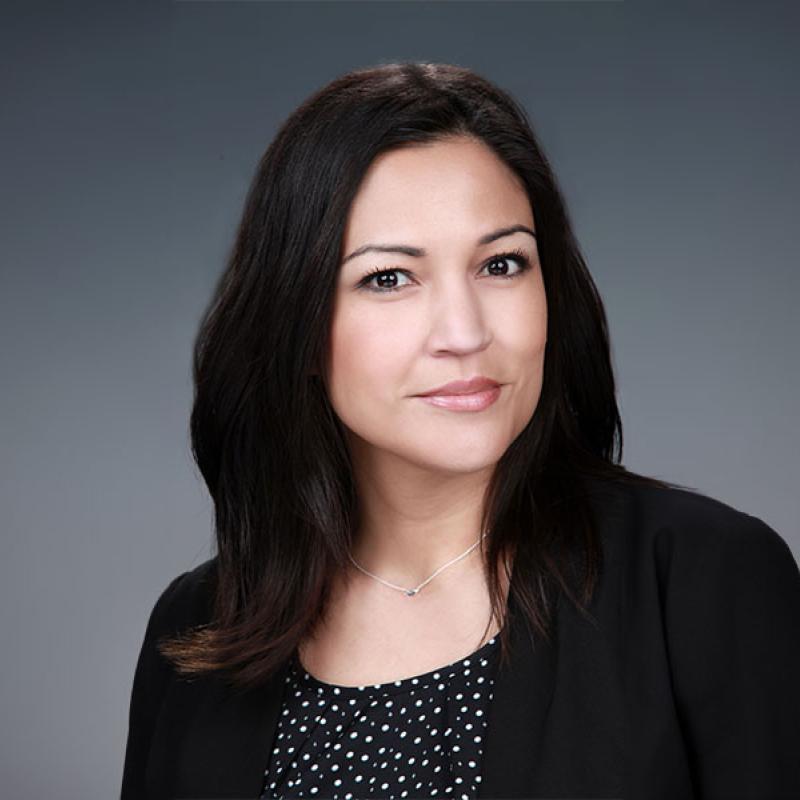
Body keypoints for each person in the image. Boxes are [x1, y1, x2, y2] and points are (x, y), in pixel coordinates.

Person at [120, 61, 800, 800]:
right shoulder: (200, 628)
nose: (465, 332)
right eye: (389, 278)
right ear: (297, 326)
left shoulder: (703, 578)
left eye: (502, 264)